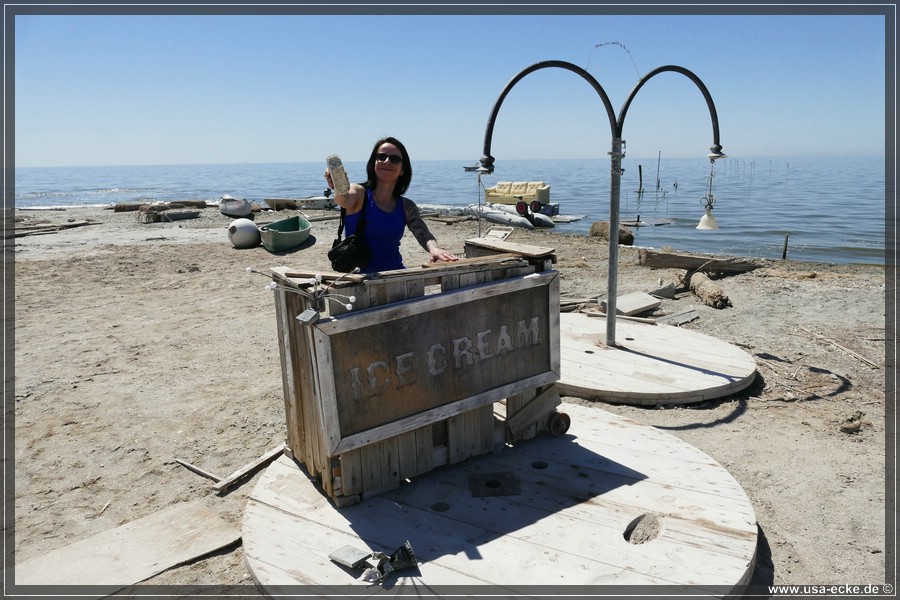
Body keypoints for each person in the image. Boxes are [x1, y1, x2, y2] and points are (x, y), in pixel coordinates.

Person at [324, 136, 458, 273]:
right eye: (381, 157)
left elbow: (422, 232)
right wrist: (339, 184)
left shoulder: (406, 206)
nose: (387, 161)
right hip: (359, 282)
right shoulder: (359, 193)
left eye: (394, 159)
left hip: (396, 276)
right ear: (374, 163)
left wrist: (434, 249)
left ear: (402, 170)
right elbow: (343, 199)